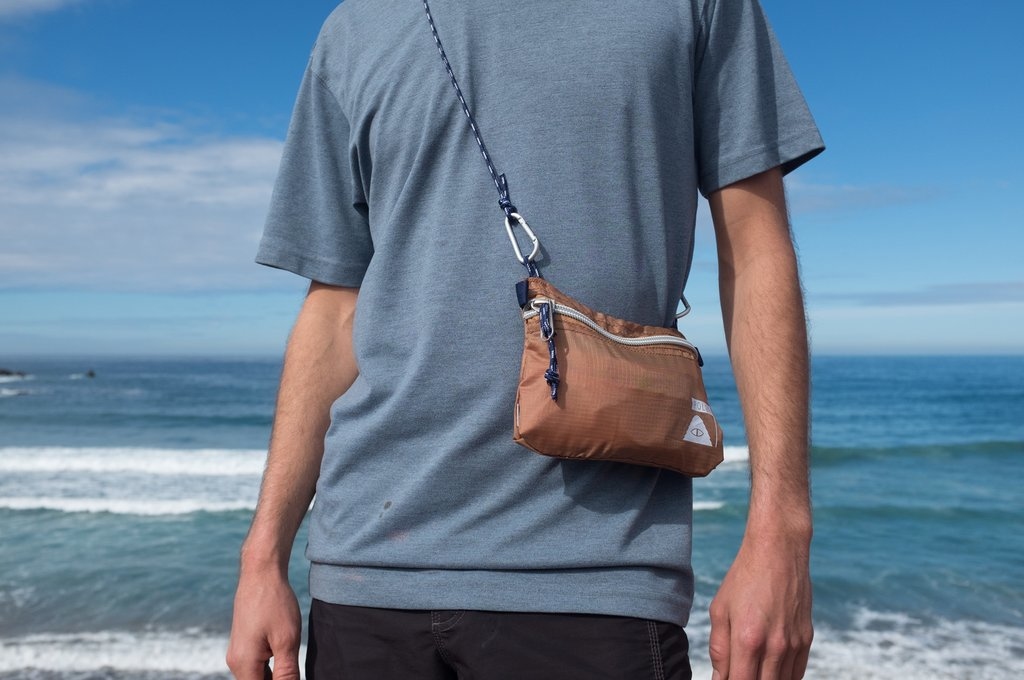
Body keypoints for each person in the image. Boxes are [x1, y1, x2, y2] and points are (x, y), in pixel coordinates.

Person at [227, 0, 823, 677]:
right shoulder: (353, 30)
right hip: (363, 574)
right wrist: (262, 557)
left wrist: (783, 533)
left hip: (596, 574)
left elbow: (755, 248)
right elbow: (335, 307)